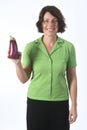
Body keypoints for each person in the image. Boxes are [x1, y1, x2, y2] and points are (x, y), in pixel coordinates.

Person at [12, 5, 77, 130]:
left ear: (59, 23)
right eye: (46, 21)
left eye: (54, 20)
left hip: (60, 104)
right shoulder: (31, 47)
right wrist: (17, 64)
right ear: (41, 24)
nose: (50, 24)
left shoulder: (68, 47)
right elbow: (23, 79)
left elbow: (72, 77)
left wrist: (74, 105)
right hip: (36, 104)